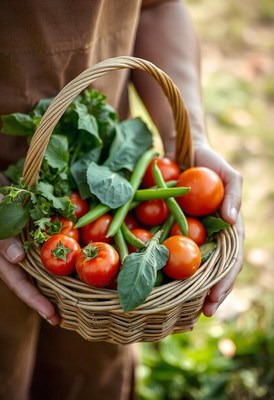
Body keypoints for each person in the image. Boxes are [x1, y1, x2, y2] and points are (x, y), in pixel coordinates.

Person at [0, 1, 244, 399]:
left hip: (99, 158)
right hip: (22, 199)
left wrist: (189, 139)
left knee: (88, 372)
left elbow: (157, 8)